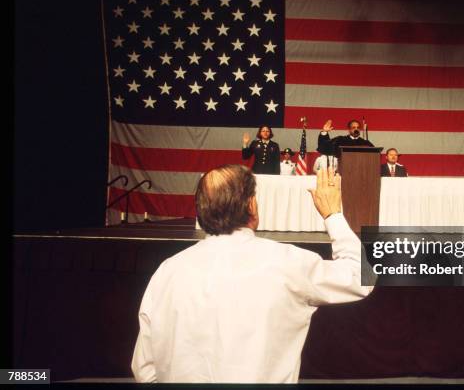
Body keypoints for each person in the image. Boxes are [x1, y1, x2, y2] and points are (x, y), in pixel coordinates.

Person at [131, 164, 373, 383]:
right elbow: (361, 278)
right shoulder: (287, 262)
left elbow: (145, 369)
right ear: (251, 206)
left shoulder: (168, 271)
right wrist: (333, 214)